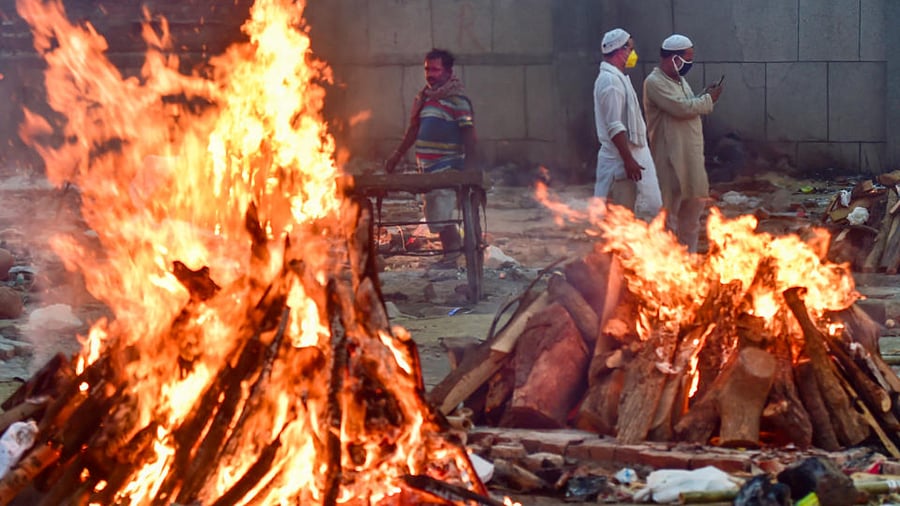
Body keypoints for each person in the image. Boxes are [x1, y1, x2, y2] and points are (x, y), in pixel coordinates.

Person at [384, 48, 477, 269]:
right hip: (426, 168)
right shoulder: (424, 98)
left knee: (442, 213)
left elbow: (469, 134)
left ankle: (451, 258)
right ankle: (450, 255)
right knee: (434, 212)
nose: (430, 74)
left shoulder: (458, 100)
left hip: (448, 166)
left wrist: (471, 169)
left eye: (435, 69)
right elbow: (413, 130)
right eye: (427, 69)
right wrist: (396, 156)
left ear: (448, 71)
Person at [642, 34, 723, 253]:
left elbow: (687, 103)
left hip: (691, 157)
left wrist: (702, 95)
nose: (690, 64)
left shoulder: (678, 79)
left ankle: (689, 262)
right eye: (687, 59)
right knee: (670, 216)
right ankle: (668, 264)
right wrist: (709, 100)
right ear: (674, 58)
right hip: (670, 158)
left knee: (692, 215)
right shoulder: (654, 82)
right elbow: (680, 108)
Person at [592, 28, 662, 219]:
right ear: (620, 50)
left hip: (634, 153)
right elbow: (614, 127)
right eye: (630, 48)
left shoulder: (618, 78)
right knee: (620, 215)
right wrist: (629, 160)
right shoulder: (610, 83)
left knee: (653, 208)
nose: (633, 53)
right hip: (621, 157)